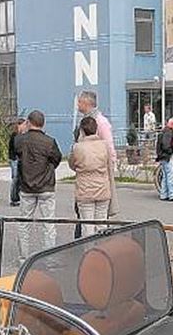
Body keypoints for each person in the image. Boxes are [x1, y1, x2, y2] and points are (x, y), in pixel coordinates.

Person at [14, 109, 62, 260]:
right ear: (43, 124)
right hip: (46, 186)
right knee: (48, 225)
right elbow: (57, 159)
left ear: (28, 122)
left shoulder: (20, 140)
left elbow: (15, 155)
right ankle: (49, 259)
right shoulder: (50, 142)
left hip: (26, 187)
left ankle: (23, 259)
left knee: (24, 224)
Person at [76, 90, 118, 217]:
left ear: (86, 103)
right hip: (86, 176)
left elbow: (109, 146)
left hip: (98, 174)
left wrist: (112, 164)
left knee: (96, 219)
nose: (77, 105)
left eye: (79, 102)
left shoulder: (100, 121)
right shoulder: (85, 120)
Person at [68, 115, 111, 230]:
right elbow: (109, 163)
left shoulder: (77, 148)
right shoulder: (104, 146)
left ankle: (89, 248)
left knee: (87, 227)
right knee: (102, 225)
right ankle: (102, 247)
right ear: (96, 129)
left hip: (85, 190)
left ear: (82, 131)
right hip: (102, 189)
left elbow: (72, 165)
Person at [156, 117, 173, 201]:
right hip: (167, 156)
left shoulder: (164, 131)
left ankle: (164, 194)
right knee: (170, 176)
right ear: (172, 124)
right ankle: (172, 195)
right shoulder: (168, 132)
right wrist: (171, 151)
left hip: (162, 156)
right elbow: (166, 145)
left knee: (165, 176)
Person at [7, 118, 26, 207]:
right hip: (15, 159)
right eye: (24, 125)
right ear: (20, 125)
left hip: (19, 159)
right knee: (15, 178)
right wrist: (13, 158)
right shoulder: (15, 135)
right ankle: (14, 197)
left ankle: (18, 196)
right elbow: (12, 148)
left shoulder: (23, 135)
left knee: (19, 179)